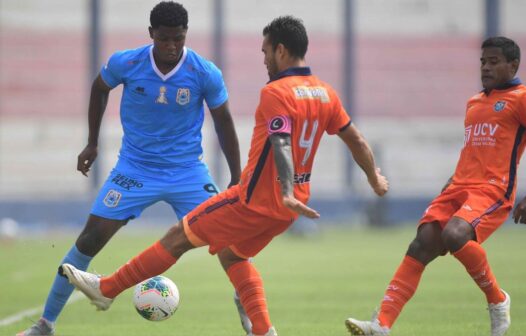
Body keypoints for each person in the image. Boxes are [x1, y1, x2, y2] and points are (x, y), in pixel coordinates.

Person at [59, 15, 389, 336]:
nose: (264, 59)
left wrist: (284, 187)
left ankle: (107, 288)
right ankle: (262, 330)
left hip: (255, 200)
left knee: (177, 237)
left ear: (282, 51)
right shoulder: (325, 93)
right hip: (290, 208)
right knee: (233, 254)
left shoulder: (277, 92)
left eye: (265, 51)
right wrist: (374, 177)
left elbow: (282, 142)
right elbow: (356, 140)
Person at [18, 2, 245, 336]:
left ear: (186, 36)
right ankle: (45, 324)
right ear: (151, 33)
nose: (171, 47)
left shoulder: (203, 72)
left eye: (178, 39)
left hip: (187, 172)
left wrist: (236, 177)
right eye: (165, 39)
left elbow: (224, 122)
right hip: (135, 169)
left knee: (229, 238)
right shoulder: (127, 62)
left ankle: (250, 307)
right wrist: (92, 142)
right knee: (90, 238)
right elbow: (99, 88)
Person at [345, 36, 526, 336]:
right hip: (459, 186)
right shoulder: (475, 102)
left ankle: (498, 300)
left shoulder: (520, 98)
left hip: (492, 191)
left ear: (514, 65)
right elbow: (472, 150)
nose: (486, 67)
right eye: (483, 61)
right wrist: (450, 183)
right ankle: (382, 324)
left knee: (455, 235)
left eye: (494, 62)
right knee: (422, 242)